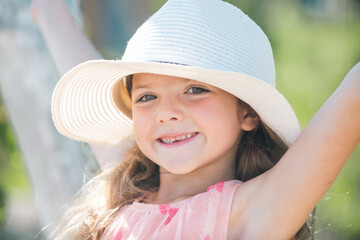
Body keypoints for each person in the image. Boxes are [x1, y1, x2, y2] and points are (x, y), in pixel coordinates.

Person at [32, 0, 360, 239]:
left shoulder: (252, 212)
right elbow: (68, 44)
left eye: (195, 89)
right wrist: (50, 12)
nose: (166, 112)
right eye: (147, 97)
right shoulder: (122, 193)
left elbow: (351, 99)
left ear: (247, 112)